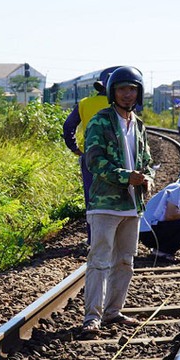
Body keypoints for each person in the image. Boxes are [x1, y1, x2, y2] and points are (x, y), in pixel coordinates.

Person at [81, 66, 155, 336]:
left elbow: (147, 162)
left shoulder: (139, 125)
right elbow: (93, 160)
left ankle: (113, 312)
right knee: (100, 261)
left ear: (139, 93)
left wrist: (147, 178)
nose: (127, 94)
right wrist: (126, 176)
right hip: (105, 204)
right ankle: (92, 317)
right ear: (113, 92)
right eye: (122, 89)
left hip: (132, 205)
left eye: (132, 89)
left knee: (125, 261)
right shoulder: (100, 121)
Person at [62, 66, 119, 244]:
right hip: (116, 158)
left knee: (91, 198)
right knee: (117, 197)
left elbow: (68, 126)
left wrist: (74, 148)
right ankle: (114, 238)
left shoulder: (85, 103)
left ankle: (93, 239)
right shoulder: (118, 105)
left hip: (91, 157)